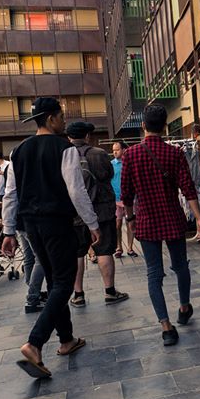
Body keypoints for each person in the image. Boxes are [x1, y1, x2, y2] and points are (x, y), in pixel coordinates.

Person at [2, 97, 99, 379]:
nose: (63, 121)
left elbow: (11, 194)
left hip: (30, 226)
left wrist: (8, 231)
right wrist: (92, 223)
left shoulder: (18, 152)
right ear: (52, 118)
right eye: (61, 116)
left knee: (55, 281)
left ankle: (67, 339)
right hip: (57, 222)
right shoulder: (64, 148)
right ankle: (35, 342)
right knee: (64, 282)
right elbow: (76, 190)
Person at [120, 105, 200, 347]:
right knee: (181, 266)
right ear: (165, 126)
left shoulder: (131, 155)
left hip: (147, 221)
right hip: (173, 218)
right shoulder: (175, 153)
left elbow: (126, 194)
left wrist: (130, 219)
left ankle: (166, 326)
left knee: (154, 274)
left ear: (143, 126)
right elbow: (189, 189)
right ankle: (184, 305)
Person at [66, 121, 129, 307]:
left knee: (77, 253)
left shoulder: (64, 156)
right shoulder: (99, 154)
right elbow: (108, 175)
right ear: (87, 136)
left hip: (75, 213)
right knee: (105, 250)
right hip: (101, 211)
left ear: (69, 138)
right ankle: (110, 292)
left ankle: (78, 295)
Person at [111, 140, 138, 259]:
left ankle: (130, 248)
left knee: (130, 222)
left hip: (129, 199)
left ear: (123, 150)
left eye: (117, 150)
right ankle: (118, 247)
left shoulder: (129, 162)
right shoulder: (111, 164)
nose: (114, 152)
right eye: (113, 150)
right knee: (117, 224)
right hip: (116, 198)